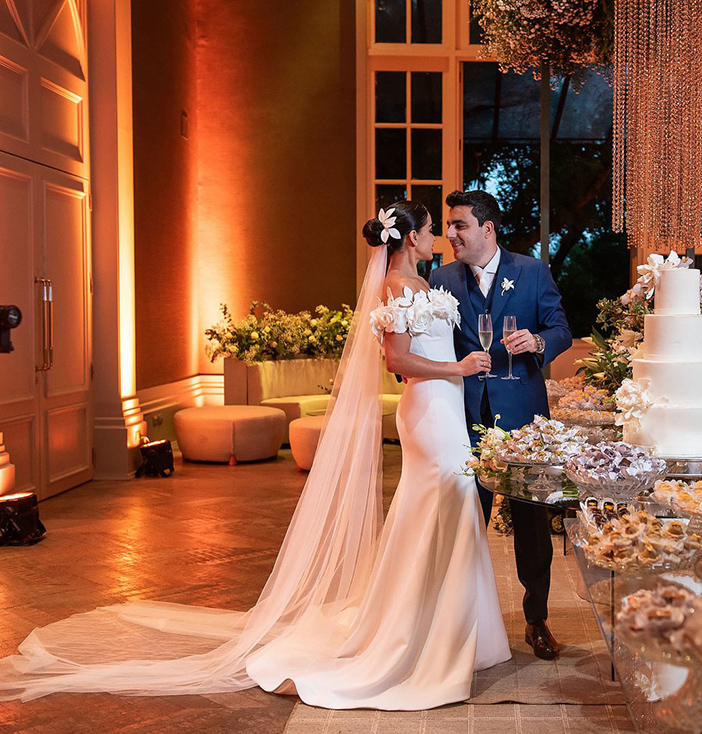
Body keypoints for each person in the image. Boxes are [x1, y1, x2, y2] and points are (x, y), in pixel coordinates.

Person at [0, 200, 511, 709]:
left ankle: (456, 628)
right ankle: (412, 632)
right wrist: (458, 370)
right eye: (430, 229)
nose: (438, 237)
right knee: (443, 498)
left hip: (447, 408)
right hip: (429, 411)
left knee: (452, 502)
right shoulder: (395, 287)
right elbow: (397, 359)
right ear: (410, 238)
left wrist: (459, 370)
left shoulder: (424, 285)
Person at [430, 190, 572, 661]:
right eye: (449, 226)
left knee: (532, 525)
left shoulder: (532, 271)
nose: (450, 235)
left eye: (460, 226)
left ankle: (536, 621)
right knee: (465, 522)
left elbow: (561, 328)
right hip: (464, 420)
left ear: (487, 229)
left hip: (523, 421)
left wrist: (538, 341)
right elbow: (435, 343)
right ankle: (462, 625)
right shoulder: (442, 278)